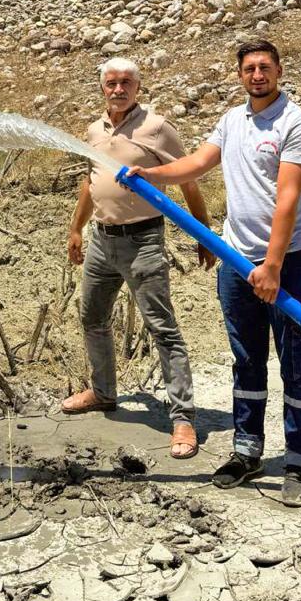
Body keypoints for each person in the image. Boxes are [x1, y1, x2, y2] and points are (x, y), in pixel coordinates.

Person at [124, 40, 301, 507]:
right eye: (249, 68)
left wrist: (271, 265)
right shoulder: (233, 121)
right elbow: (196, 163)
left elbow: (288, 201)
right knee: (246, 358)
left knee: (296, 364)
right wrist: (149, 175)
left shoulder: (297, 124)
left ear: (278, 71)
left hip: (287, 261)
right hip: (234, 260)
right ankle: (247, 451)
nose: (257, 75)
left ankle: (300, 463)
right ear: (240, 75)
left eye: (265, 68)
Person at [63, 57, 216, 459]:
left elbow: (187, 179)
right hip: (101, 239)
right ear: (102, 88)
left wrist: (204, 235)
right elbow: (90, 180)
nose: (118, 89)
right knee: (92, 318)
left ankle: (182, 418)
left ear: (138, 86)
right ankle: (103, 392)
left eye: (126, 83)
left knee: (162, 328)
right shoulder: (94, 130)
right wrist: (76, 228)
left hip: (143, 241)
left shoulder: (158, 128)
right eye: (111, 83)